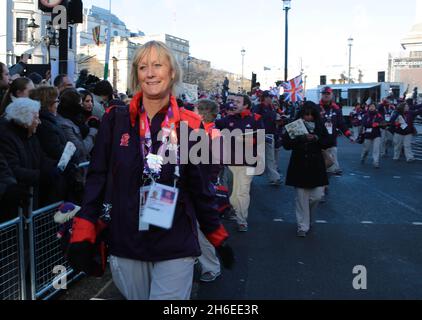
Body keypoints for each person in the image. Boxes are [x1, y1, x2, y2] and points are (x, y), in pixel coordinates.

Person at [67, 41, 234, 300]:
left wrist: (216, 235)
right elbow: (98, 176)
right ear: (136, 74)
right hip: (126, 240)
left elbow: (200, 188)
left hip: (175, 240)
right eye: (143, 66)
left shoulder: (191, 124)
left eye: (158, 65)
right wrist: (85, 227)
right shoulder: (115, 119)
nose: (150, 72)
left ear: (172, 72)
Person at [282, 102, 331, 238]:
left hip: (316, 166)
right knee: (301, 198)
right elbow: (286, 144)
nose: (308, 117)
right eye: (306, 114)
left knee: (317, 196)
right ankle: (302, 225)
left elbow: (328, 141)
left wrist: (316, 138)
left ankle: (307, 218)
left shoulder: (320, 126)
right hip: (299, 164)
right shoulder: (295, 125)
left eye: (311, 114)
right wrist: (300, 138)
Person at [216, 94, 264, 232]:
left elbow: (260, 139)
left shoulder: (256, 119)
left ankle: (242, 220)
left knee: (243, 191)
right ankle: (235, 212)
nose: (234, 104)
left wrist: (244, 140)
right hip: (230, 161)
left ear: (246, 105)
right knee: (232, 193)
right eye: (233, 101)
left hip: (248, 161)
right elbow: (209, 126)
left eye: (238, 102)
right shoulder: (226, 119)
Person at [0, 98, 58, 211]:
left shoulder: (30, 136)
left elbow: (41, 158)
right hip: (16, 202)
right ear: (25, 122)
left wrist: (56, 167)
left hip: (30, 199)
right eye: (36, 118)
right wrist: (40, 175)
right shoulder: (7, 138)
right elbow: (13, 169)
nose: (39, 122)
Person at [319, 86, 354, 175]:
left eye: (328, 94)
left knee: (331, 169)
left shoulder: (336, 109)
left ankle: (324, 184)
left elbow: (342, 124)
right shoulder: (316, 108)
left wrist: (349, 135)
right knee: (320, 167)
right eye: (324, 94)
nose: (326, 95)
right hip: (318, 143)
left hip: (331, 142)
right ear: (321, 95)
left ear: (332, 95)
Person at [56, 89, 98, 164]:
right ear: (73, 106)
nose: (82, 106)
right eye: (80, 104)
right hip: (77, 167)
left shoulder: (77, 118)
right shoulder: (65, 124)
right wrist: (93, 132)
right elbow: (82, 150)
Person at [253, 91, 282, 185]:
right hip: (259, 134)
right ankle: (247, 177)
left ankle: (275, 177)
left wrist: (280, 121)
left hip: (270, 134)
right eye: (269, 97)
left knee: (270, 157)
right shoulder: (259, 107)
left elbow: (275, 120)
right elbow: (254, 119)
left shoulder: (272, 108)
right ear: (265, 97)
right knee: (255, 157)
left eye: (271, 97)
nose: (271, 99)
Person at [360, 103, 383, 168]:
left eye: (373, 106)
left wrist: (379, 124)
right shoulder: (366, 115)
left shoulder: (378, 115)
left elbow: (382, 122)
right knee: (366, 149)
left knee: (376, 149)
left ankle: (376, 162)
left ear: (375, 108)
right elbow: (364, 123)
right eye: (370, 106)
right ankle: (363, 157)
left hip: (376, 134)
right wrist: (372, 124)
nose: (372, 108)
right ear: (368, 107)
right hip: (368, 134)